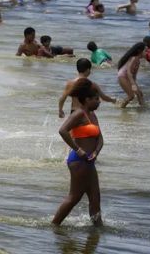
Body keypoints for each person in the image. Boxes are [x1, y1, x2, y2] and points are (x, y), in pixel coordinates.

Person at [52, 79, 104, 227]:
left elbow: (100, 138)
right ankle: (54, 225)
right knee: (74, 197)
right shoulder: (79, 114)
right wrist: (79, 150)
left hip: (89, 161)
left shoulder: (93, 115)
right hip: (78, 161)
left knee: (95, 197)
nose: (99, 102)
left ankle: (97, 229)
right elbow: (63, 131)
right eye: (96, 99)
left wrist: (96, 152)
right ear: (87, 100)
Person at [117, 43, 145, 108]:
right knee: (131, 96)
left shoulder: (138, 61)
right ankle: (121, 108)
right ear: (139, 51)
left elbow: (134, 75)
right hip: (122, 77)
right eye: (145, 50)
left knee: (140, 94)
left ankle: (142, 109)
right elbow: (129, 72)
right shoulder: (134, 58)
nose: (147, 52)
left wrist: (136, 87)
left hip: (128, 78)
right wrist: (133, 84)